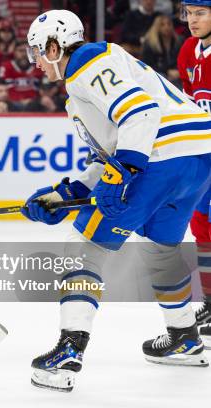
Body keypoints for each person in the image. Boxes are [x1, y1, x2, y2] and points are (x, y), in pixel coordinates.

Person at [23, 9, 211, 392]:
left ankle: (68, 351)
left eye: (38, 52)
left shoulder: (85, 62)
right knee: (162, 249)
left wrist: (125, 169)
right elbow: (109, 152)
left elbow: (139, 114)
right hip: (198, 159)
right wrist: (67, 193)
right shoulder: (88, 83)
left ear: (57, 46)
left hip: (162, 157)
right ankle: (184, 337)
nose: (37, 63)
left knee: (85, 247)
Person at [177, 0, 211, 348]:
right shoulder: (188, 50)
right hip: (205, 156)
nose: (192, 20)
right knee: (201, 225)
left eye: (201, 13)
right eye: (189, 14)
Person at [0, 40, 44, 112]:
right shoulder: (6, 67)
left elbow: (44, 89)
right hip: (11, 105)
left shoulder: (39, 67)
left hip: (34, 105)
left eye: (27, 51)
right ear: (14, 52)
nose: (24, 54)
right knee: (1, 106)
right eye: (20, 51)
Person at [141, 14, 183, 85]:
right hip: (157, 75)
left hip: (176, 74)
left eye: (169, 24)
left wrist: (178, 72)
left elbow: (182, 61)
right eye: (162, 25)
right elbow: (147, 65)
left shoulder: (178, 41)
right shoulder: (149, 44)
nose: (166, 27)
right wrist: (167, 71)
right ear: (157, 27)